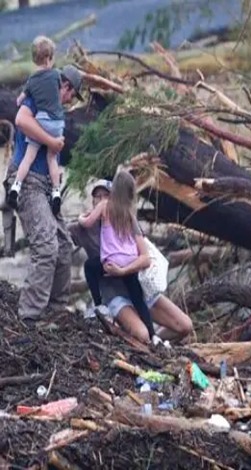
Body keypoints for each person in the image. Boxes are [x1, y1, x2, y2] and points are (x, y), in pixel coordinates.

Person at [69, 179, 193, 344]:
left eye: (106, 196)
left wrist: (123, 270)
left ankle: (156, 343)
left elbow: (145, 258)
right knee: (142, 335)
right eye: (97, 197)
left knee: (185, 325)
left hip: (140, 288)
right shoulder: (84, 227)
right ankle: (132, 338)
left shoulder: (127, 219)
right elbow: (61, 234)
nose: (101, 200)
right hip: (114, 295)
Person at [5, 64, 83, 324]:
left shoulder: (58, 112)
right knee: (46, 244)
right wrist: (51, 142)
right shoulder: (38, 97)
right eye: (72, 94)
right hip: (25, 180)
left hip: (46, 185)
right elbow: (21, 120)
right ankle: (29, 315)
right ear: (66, 87)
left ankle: (56, 308)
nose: (72, 100)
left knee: (63, 245)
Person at [78, 171, 156, 339]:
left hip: (112, 261)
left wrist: (80, 218)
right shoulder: (130, 215)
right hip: (130, 262)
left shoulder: (105, 205)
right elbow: (145, 255)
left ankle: (99, 305)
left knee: (90, 267)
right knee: (138, 298)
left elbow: (87, 222)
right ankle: (153, 335)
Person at [8, 36, 70, 215]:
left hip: (41, 121)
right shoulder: (57, 75)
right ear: (49, 58)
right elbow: (56, 96)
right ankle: (56, 192)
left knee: (28, 156)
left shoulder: (32, 80)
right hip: (57, 123)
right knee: (52, 159)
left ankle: (16, 188)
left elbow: (20, 100)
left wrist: (25, 97)